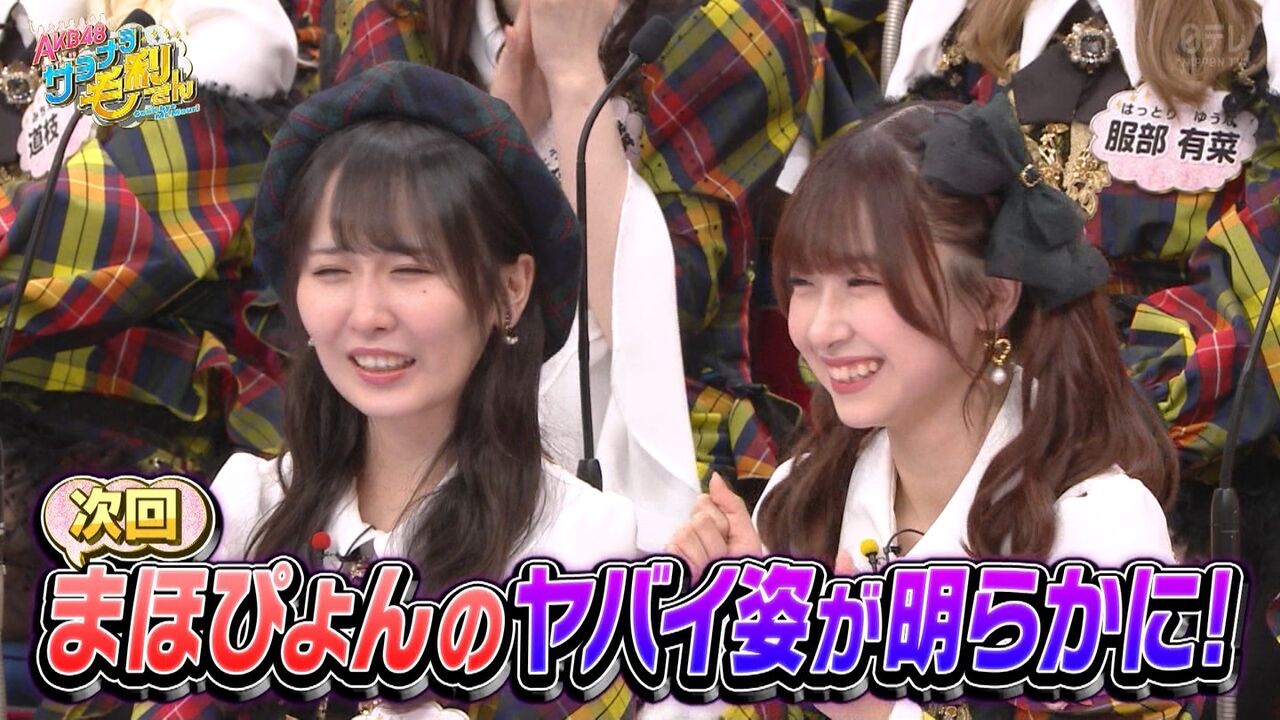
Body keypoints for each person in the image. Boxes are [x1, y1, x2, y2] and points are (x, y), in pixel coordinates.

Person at [668, 92, 1199, 719]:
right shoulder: (803, 496)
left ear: (992, 297)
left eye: (863, 282)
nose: (820, 329)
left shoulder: (1094, 530)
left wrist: (871, 708)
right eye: (803, 283)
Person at [321, 0, 864, 547]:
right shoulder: (394, 12)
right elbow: (360, 252)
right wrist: (498, 135)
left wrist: (576, 78)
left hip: (666, 447)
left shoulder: (738, 24)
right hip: (418, 428)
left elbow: (665, 317)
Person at [210, 62, 639, 718]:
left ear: (510, 290)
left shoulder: (577, 548)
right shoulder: (247, 511)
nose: (367, 315)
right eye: (331, 271)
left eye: (411, 270)